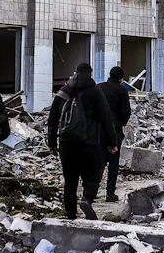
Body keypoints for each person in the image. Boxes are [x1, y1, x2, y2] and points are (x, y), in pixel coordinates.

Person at [47, 62, 118, 220]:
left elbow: (52, 120)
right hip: (89, 142)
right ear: (90, 74)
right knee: (92, 176)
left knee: (70, 180)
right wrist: (112, 143)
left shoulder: (63, 92)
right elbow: (107, 119)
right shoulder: (95, 92)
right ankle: (87, 199)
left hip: (66, 143)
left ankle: (71, 214)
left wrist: (52, 143)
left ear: (75, 73)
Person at [98, 66, 132, 201]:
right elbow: (126, 112)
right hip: (115, 130)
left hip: (99, 130)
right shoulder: (122, 90)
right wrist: (121, 123)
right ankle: (110, 193)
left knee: (99, 161)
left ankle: (91, 191)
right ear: (121, 78)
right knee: (113, 162)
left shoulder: (99, 87)